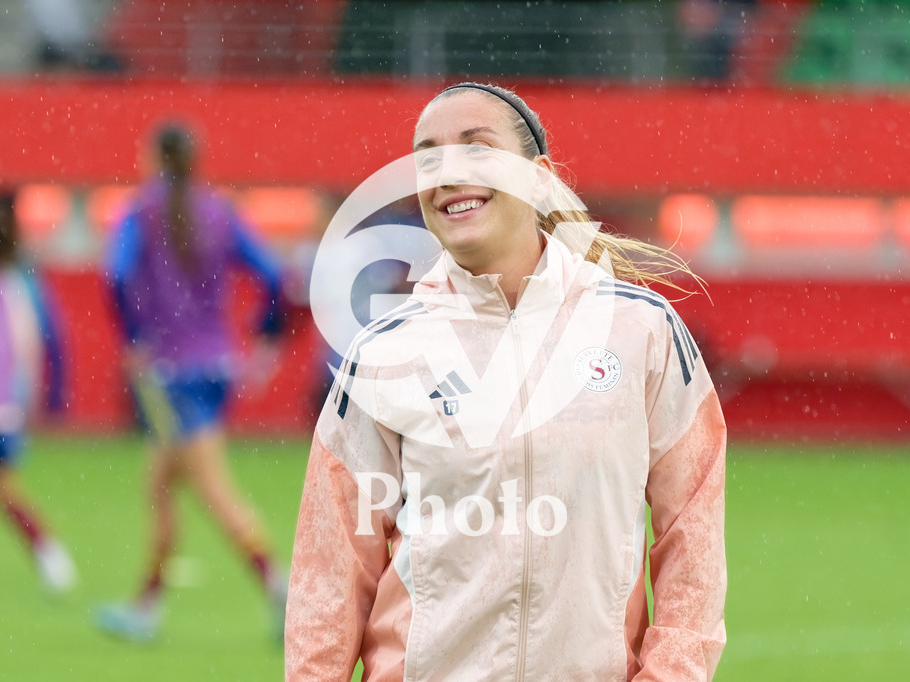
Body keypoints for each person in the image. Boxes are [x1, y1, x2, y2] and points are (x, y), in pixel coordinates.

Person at [285, 82, 727, 680]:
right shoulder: (383, 353)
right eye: (428, 158)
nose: (449, 173)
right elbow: (329, 574)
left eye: (477, 148)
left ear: (538, 178)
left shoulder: (640, 331)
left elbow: (692, 539)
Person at [96, 122, 288, 643]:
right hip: (217, 366)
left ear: (154, 156)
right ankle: (146, 607)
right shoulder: (219, 210)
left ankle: (282, 590)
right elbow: (272, 272)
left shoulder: (141, 210)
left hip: (171, 372)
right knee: (161, 484)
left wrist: (134, 336)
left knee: (210, 489)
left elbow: (113, 273)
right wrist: (266, 337)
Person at [0, 193, 75, 595]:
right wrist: (33, 398)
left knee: (3, 490)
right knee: (5, 490)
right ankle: (50, 555)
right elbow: (29, 345)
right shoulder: (10, 283)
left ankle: (50, 556)